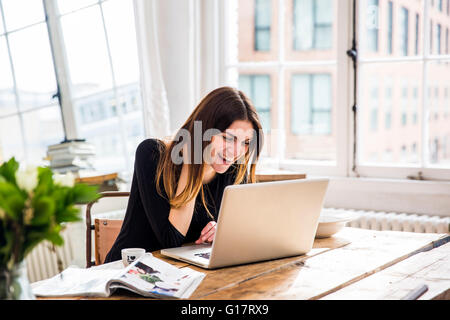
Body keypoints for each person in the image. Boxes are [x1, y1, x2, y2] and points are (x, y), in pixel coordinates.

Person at [104, 86, 264, 263]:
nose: (236, 151)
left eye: (246, 142)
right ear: (203, 131)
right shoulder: (151, 154)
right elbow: (171, 240)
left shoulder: (234, 171)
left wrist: (223, 232)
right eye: (227, 138)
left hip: (182, 272)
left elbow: (245, 230)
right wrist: (191, 162)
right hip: (129, 270)